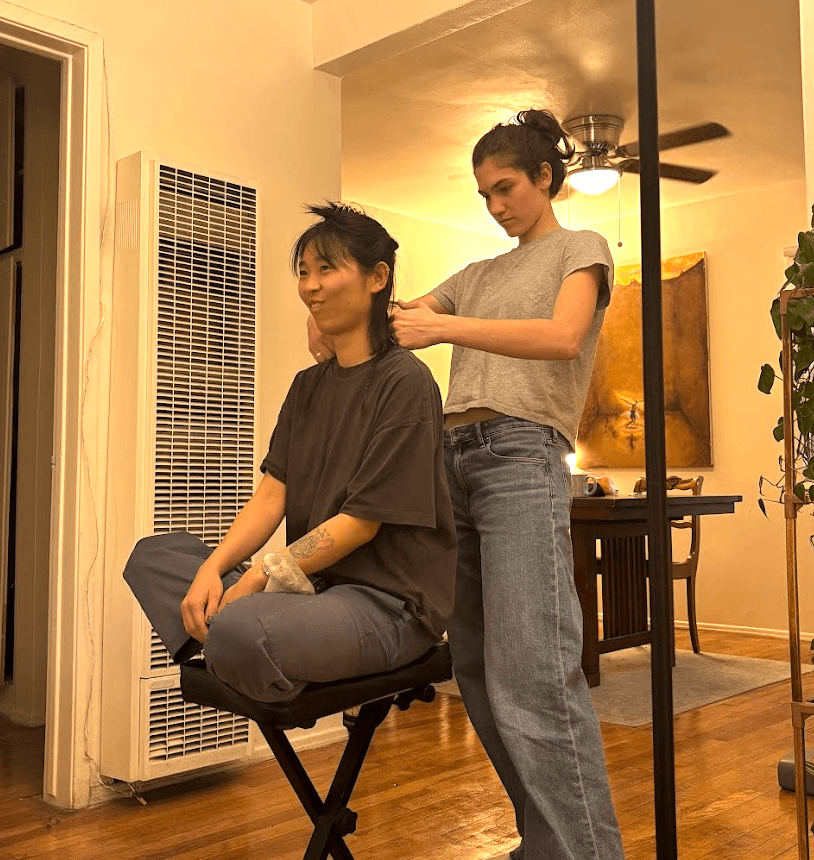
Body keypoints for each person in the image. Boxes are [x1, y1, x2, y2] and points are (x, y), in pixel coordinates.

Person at [309, 109, 625, 860]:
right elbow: (401, 315)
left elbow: (562, 338)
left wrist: (447, 330)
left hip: (520, 460)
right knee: (477, 673)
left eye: (507, 187)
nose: (496, 205)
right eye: (484, 194)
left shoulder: (582, 248)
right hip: (451, 465)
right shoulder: (478, 274)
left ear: (545, 178)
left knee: (535, 676)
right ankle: (546, 842)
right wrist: (334, 305)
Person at [124, 202, 456, 704]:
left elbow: (360, 524)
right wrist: (213, 570)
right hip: (312, 587)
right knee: (153, 558)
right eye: (303, 272)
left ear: (376, 277)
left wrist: (261, 574)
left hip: (388, 605)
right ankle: (244, 643)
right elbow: (271, 498)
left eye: (326, 269)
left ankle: (236, 644)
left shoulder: (404, 381)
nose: (310, 286)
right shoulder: (308, 386)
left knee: (239, 628)